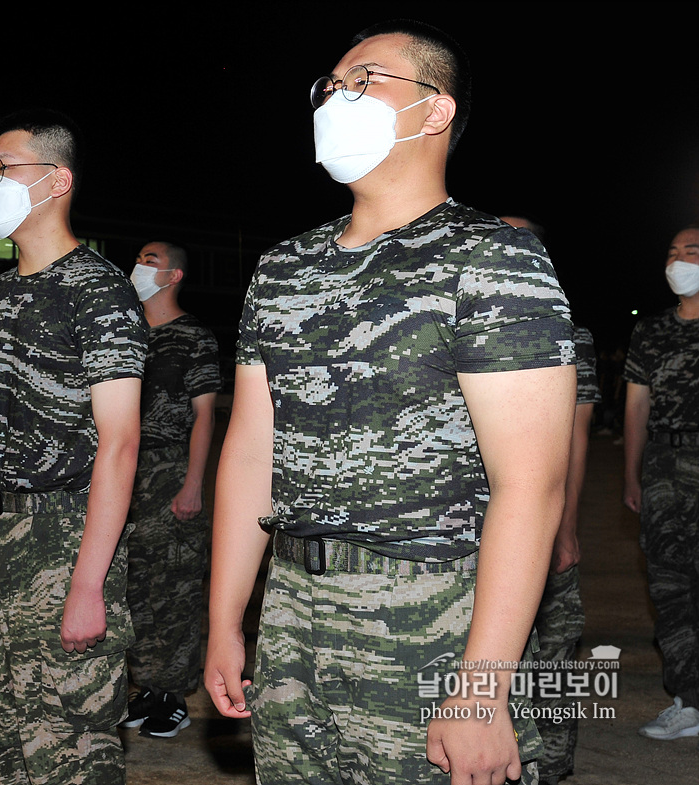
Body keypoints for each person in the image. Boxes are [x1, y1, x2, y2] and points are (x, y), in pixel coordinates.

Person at [204, 20, 577, 785]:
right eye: (331, 86)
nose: (338, 97)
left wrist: (480, 689)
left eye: (365, 80)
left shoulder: (492, 256)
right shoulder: (283, 267)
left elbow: (530, 484)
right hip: (294, 619)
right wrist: (224, 620)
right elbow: (248, 454)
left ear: (434, 110)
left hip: (433, 621)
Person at [0, 109, 147, 785]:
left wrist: (89, 583)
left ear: (57, 180)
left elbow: (121, 444)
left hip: (66, 532)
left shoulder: (100, 290)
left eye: (4, 167)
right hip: (2, 541)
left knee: (69, 741)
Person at [500, 216, 600, 783]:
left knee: (552, 655)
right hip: (476, 522)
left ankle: (554, 764)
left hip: (540, 512)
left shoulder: (567, 333)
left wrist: (563, 528)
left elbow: (577, 436)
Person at [119, 241, 220, 738]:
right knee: (133, 584)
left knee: (175, 585)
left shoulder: (193, 337)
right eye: (138, 258)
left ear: (174, 275)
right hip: (122, 471)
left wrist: (192, 485)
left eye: (150, 260)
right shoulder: (123, 335)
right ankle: (146, 685)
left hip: (168, 467)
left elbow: (204, 415)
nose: (138, 266)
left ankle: (172, 692)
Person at [623, 224, 699, 742]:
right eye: (671, 251)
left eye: (691, 251)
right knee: (671, 587)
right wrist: (631, 473)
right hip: (664, 470)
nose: (678, 260)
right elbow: (636, 405)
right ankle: (688, 699)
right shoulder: (650, 331)